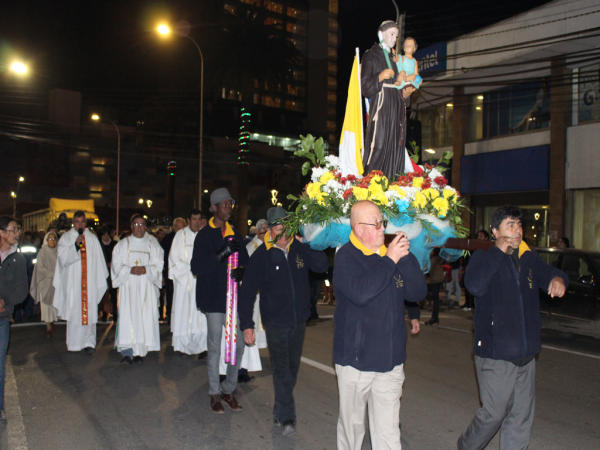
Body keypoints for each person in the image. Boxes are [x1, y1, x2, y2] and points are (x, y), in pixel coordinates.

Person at [458, 205, 568, 450]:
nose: (517, 231)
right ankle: (467, 445)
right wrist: (498, 252)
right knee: (494, 414)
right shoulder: (483, 257)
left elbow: (548, 272)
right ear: (495, 231)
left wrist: (558, 279)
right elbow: (475, 286)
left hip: (526, 354)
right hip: (496, 354)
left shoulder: (527, 258)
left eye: (519, 225)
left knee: (520, 418)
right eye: (510, 225)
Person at [332, 200, 426, 450]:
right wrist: (391, 260)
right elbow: (362, 293)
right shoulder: (346, 256)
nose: (382, 227)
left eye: (382, 222)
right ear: (358, 229)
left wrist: (404, 258)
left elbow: (416, 292)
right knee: (352, 431)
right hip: (356, 362)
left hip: (391, 361)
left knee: (388, 433)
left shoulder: (392, 255)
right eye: (375, 223)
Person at [239, 207, 328, 437]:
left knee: (292, 369)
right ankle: (288, 416)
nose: (284, 232)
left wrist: (307, 242)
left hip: (298, 320)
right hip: (276, 323)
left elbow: (321, 266)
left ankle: (279, 410)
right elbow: (247, 291)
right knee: (281, 370)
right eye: (279, 227)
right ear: (270, 229)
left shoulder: (298, 248)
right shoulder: (261, 255)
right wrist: (247, 324)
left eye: (287, 227)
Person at [191, 188, 248, 414]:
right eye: (224, 204)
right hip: (214, 300)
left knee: (239, 345)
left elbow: (246, 261)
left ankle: (228, 389)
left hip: (234, 300)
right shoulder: (204, 235)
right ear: (214, 208)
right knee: (215, 347)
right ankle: (214, 393)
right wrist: (221, 254)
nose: (228, 208)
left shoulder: (236, 233)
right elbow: (197, 268)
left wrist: (243, 269)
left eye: (230, 204)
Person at [362, 21, 416, 180]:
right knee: (378, 144)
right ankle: (370, 184)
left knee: (396, 147)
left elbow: (403, 86)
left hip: (397, 108)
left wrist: (406, 95)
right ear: (381, 34)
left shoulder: (398, 60)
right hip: (382, 106)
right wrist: (379, 77)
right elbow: (365, 87)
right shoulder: (370, 55)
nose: (394, 39)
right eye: (391, 34)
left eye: (396, 36)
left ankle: (392, 185)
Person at [53, 211, 108, 354]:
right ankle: (75, 343)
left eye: (82, 222)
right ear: (73, 223)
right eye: (77, 222)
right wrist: (76, 246)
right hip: (73, 283)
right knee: (75, 311)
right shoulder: (66, 238)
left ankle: (89, 343)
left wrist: (98, 280)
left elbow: (99, 262)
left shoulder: (92, 239)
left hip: (89, 283)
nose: (80, 225)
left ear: (86, 222)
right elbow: (62, 259)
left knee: (89, 312)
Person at [111, 215, 164, 364]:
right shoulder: (122, 245)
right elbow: (116, 265)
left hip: (146, 287)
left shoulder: (153, 244)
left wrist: (146, 269)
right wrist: (130, 270)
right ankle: (127, 352)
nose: (139, 227)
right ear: (131, 226)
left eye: (142, 224)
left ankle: (140, 351)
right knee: (128, 317)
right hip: (128, 287)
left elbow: (159, 264)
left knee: (144, 317)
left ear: (146, 227)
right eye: (136, 224)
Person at [230, 218, 269, 383]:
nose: (267, 232)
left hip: (263, 294)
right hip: (253, 296)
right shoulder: (251, 247)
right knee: (248, 329)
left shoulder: (268, 246)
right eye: (265, 229)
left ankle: (244, 367)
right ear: (259, 231)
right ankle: (240, 369)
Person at [0, 217, 29, 424]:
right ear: (1, 232)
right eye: (13, 230)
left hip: (2, 318)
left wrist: (6, 303)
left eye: (17, 230)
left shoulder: (18, 259)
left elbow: (22, 290)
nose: (17, 233)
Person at [169, 209, 208, 358]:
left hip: (201, 281)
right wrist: (191, 268)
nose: (197, 222)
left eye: (199, 219)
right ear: (188, 220)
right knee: (184, 313)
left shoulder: (204, 235)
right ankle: (183, 347)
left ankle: (202, 347)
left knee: (201, 316)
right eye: (194, 219)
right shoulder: (180, 236)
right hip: (185, 281)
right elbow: (174, 258)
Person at [30, 230, 59, 337]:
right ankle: (48, 327)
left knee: (54, 305)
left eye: (54, 238)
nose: (52, 241)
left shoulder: (59, 251)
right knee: (46, 306)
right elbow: (40, 268)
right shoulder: (42, 252)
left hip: (55, 284)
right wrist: (51, 273)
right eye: (50, 239)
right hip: (45, 283)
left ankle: (52, 322)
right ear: (46, 240)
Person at [160, 217, 185, 323]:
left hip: (183, 274)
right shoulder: (167, 240)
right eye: (177, 228)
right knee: (171, 296)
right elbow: (163, 258)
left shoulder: (186, 238)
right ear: (173, 227)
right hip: (170, 273)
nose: (179, 230)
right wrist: (163, 274)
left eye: (182, 228)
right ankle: (171, 318)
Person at [462, 230, 490, 311]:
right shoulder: (475, 248)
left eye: (481, 236)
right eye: (478, 236)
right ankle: (469, 304)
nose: (479, 238)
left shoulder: (487, 249)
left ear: (486, 238)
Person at [99, 226, 118, 321]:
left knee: (113, 293)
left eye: (107, 235)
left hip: (112, 272)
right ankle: (104, 313)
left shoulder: (114, 244)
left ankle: (114, 312)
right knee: (103, 293)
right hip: (102, 272)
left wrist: (113, 263)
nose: (106, 237)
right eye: (103, 235)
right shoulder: (99, 245)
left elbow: (118, 257)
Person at [425, 248, 444, 326]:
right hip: (437, 279)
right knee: (435, 299)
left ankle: (434, 318)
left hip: (435, 279)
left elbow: (429, 268)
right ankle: (435, 317)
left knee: (434, 298)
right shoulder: (438, 256)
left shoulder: (434, 257)